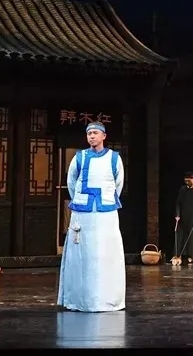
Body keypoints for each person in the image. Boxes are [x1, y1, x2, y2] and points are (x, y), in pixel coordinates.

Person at [58, 122, 126, 312]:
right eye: (89, 133)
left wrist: (107, 199)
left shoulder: (114, 158)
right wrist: (80, 199)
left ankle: (107, 299)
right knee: (83, 255)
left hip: (106, 212)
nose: (92, 136)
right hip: (83, 212)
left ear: (104, 136)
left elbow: (118, 183)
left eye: (95, 133)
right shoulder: (79, 157)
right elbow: (71, 182)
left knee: (106, 253)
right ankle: (80, 300)